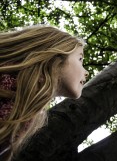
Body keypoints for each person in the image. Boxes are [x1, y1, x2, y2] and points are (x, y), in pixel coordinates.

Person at [0, 25, 89, 161]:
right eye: (80, 59)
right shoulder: (7, 91)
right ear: (54, 58)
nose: (86, 72)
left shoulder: (27, 110)